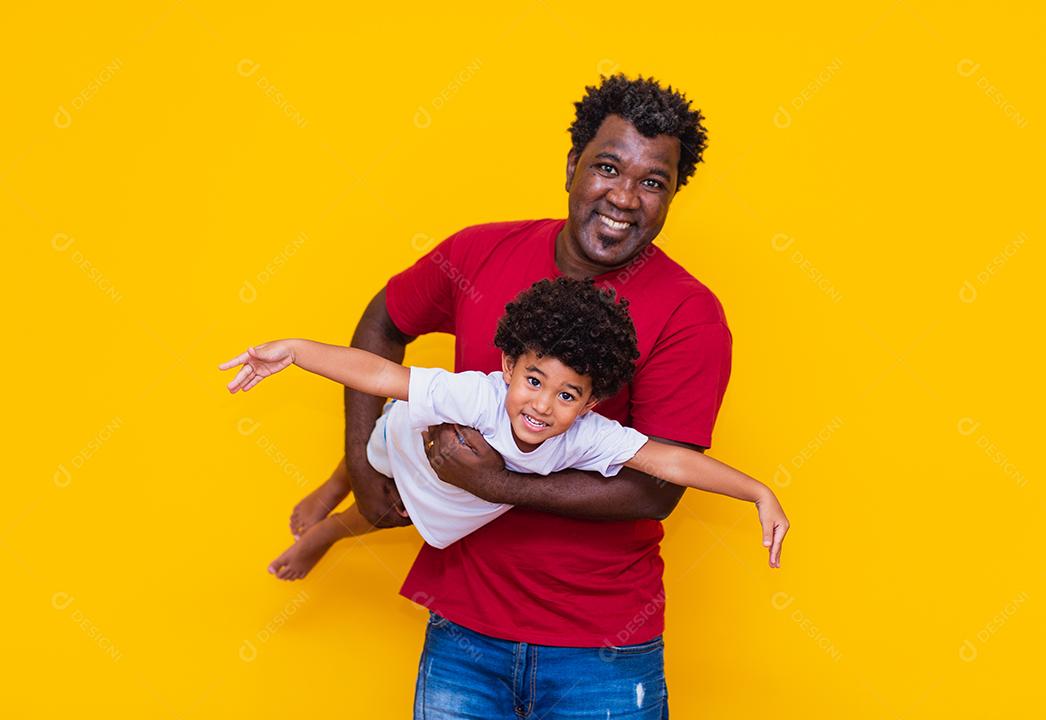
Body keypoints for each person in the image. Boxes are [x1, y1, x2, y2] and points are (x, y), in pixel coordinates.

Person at [283, 73, 787, 718]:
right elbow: (384, 328)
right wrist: (358, 463)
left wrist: (497, 483)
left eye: (653, 182)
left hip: (601, 651)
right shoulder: (479, 253)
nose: (625, 197)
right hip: (463, 630)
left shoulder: (689, 315)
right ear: (574, 165)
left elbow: (657, 487)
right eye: (608, 167)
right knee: (408, 420)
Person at [219, 277, 789, 574]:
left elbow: (671, 461)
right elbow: (381, 374)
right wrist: (295, 350)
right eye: (533, 381)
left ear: (591, 403)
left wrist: (758, 492)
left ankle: (328, 532)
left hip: (448, 495)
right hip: (410, 436)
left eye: (567, 395)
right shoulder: (476, 394)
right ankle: (334, 484)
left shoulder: (588, 435)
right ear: (508, 366)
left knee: (384, 514)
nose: (542, 406)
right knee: (378, 445)